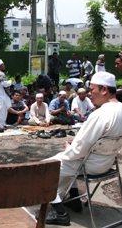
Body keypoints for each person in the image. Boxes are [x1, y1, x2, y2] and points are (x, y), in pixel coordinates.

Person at [45, 72, 122, 226]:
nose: (89, 94)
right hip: (107, 164)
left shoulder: (100, 114)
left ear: (104, 90)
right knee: (66, 164)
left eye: (92, 90)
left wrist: (69, 147)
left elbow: (78, 151)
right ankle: (74, 200)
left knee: (43, 168)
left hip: (88, 166)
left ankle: (60, 212)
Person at [0, 59, 12, 128]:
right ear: (0, 66)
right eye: (3, 65)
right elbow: (4, 84)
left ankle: (3, 124)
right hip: (0, 93)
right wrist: (11, 81)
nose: (4, 66)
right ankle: (0, 125)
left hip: (2, 93)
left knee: (4, 109)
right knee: (1, 109)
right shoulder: (0, 73)